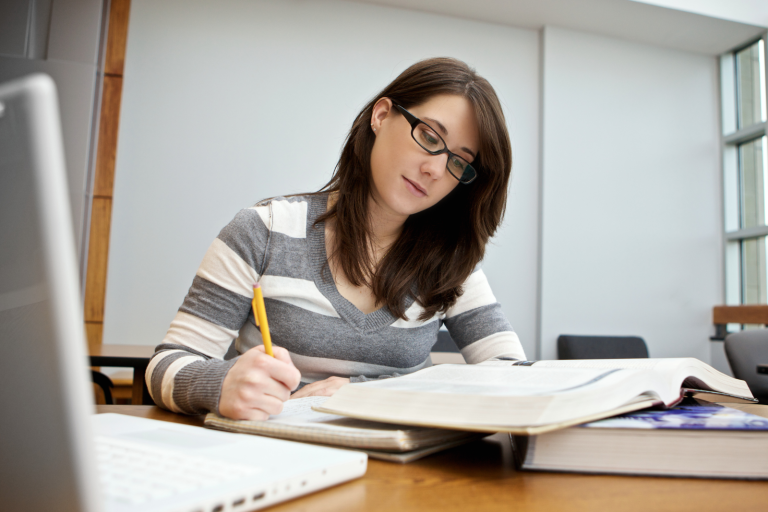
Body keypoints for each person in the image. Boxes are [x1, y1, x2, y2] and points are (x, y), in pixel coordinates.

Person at [146, 57, 526, 420]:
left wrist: (365, 395)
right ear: (381, 116)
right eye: (428, 136)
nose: (434, 169)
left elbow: (513, 378)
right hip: (277, 461)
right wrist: (222, 384)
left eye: (458, 161)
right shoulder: (264, 231)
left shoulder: (451, 264)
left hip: (403, 476)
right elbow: (165, 368)